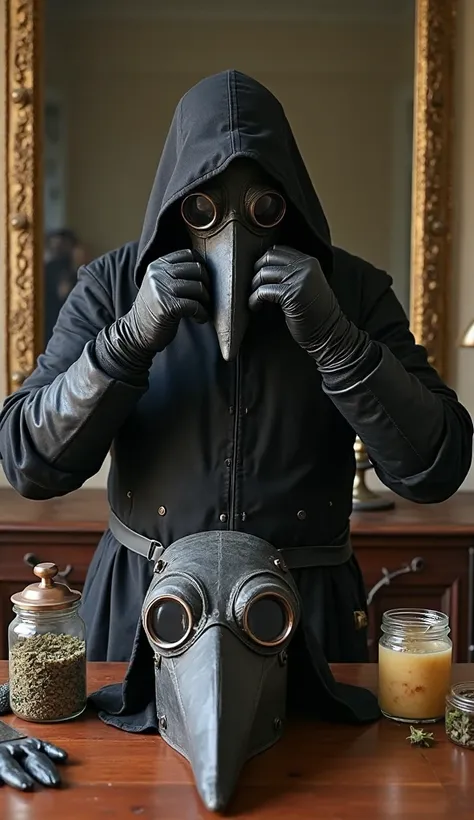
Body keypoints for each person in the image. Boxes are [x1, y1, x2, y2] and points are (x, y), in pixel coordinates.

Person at [0, 71, 472, 676]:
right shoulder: (115, 286)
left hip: (306, 625)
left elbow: (437, 466)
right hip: (147, 614)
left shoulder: (351, 290)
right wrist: (127, 340)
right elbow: (28, 461)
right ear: (176, 201)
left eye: (262, 207)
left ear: (289, 199)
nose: (231, 230)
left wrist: (339, 342)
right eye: (202, 205)